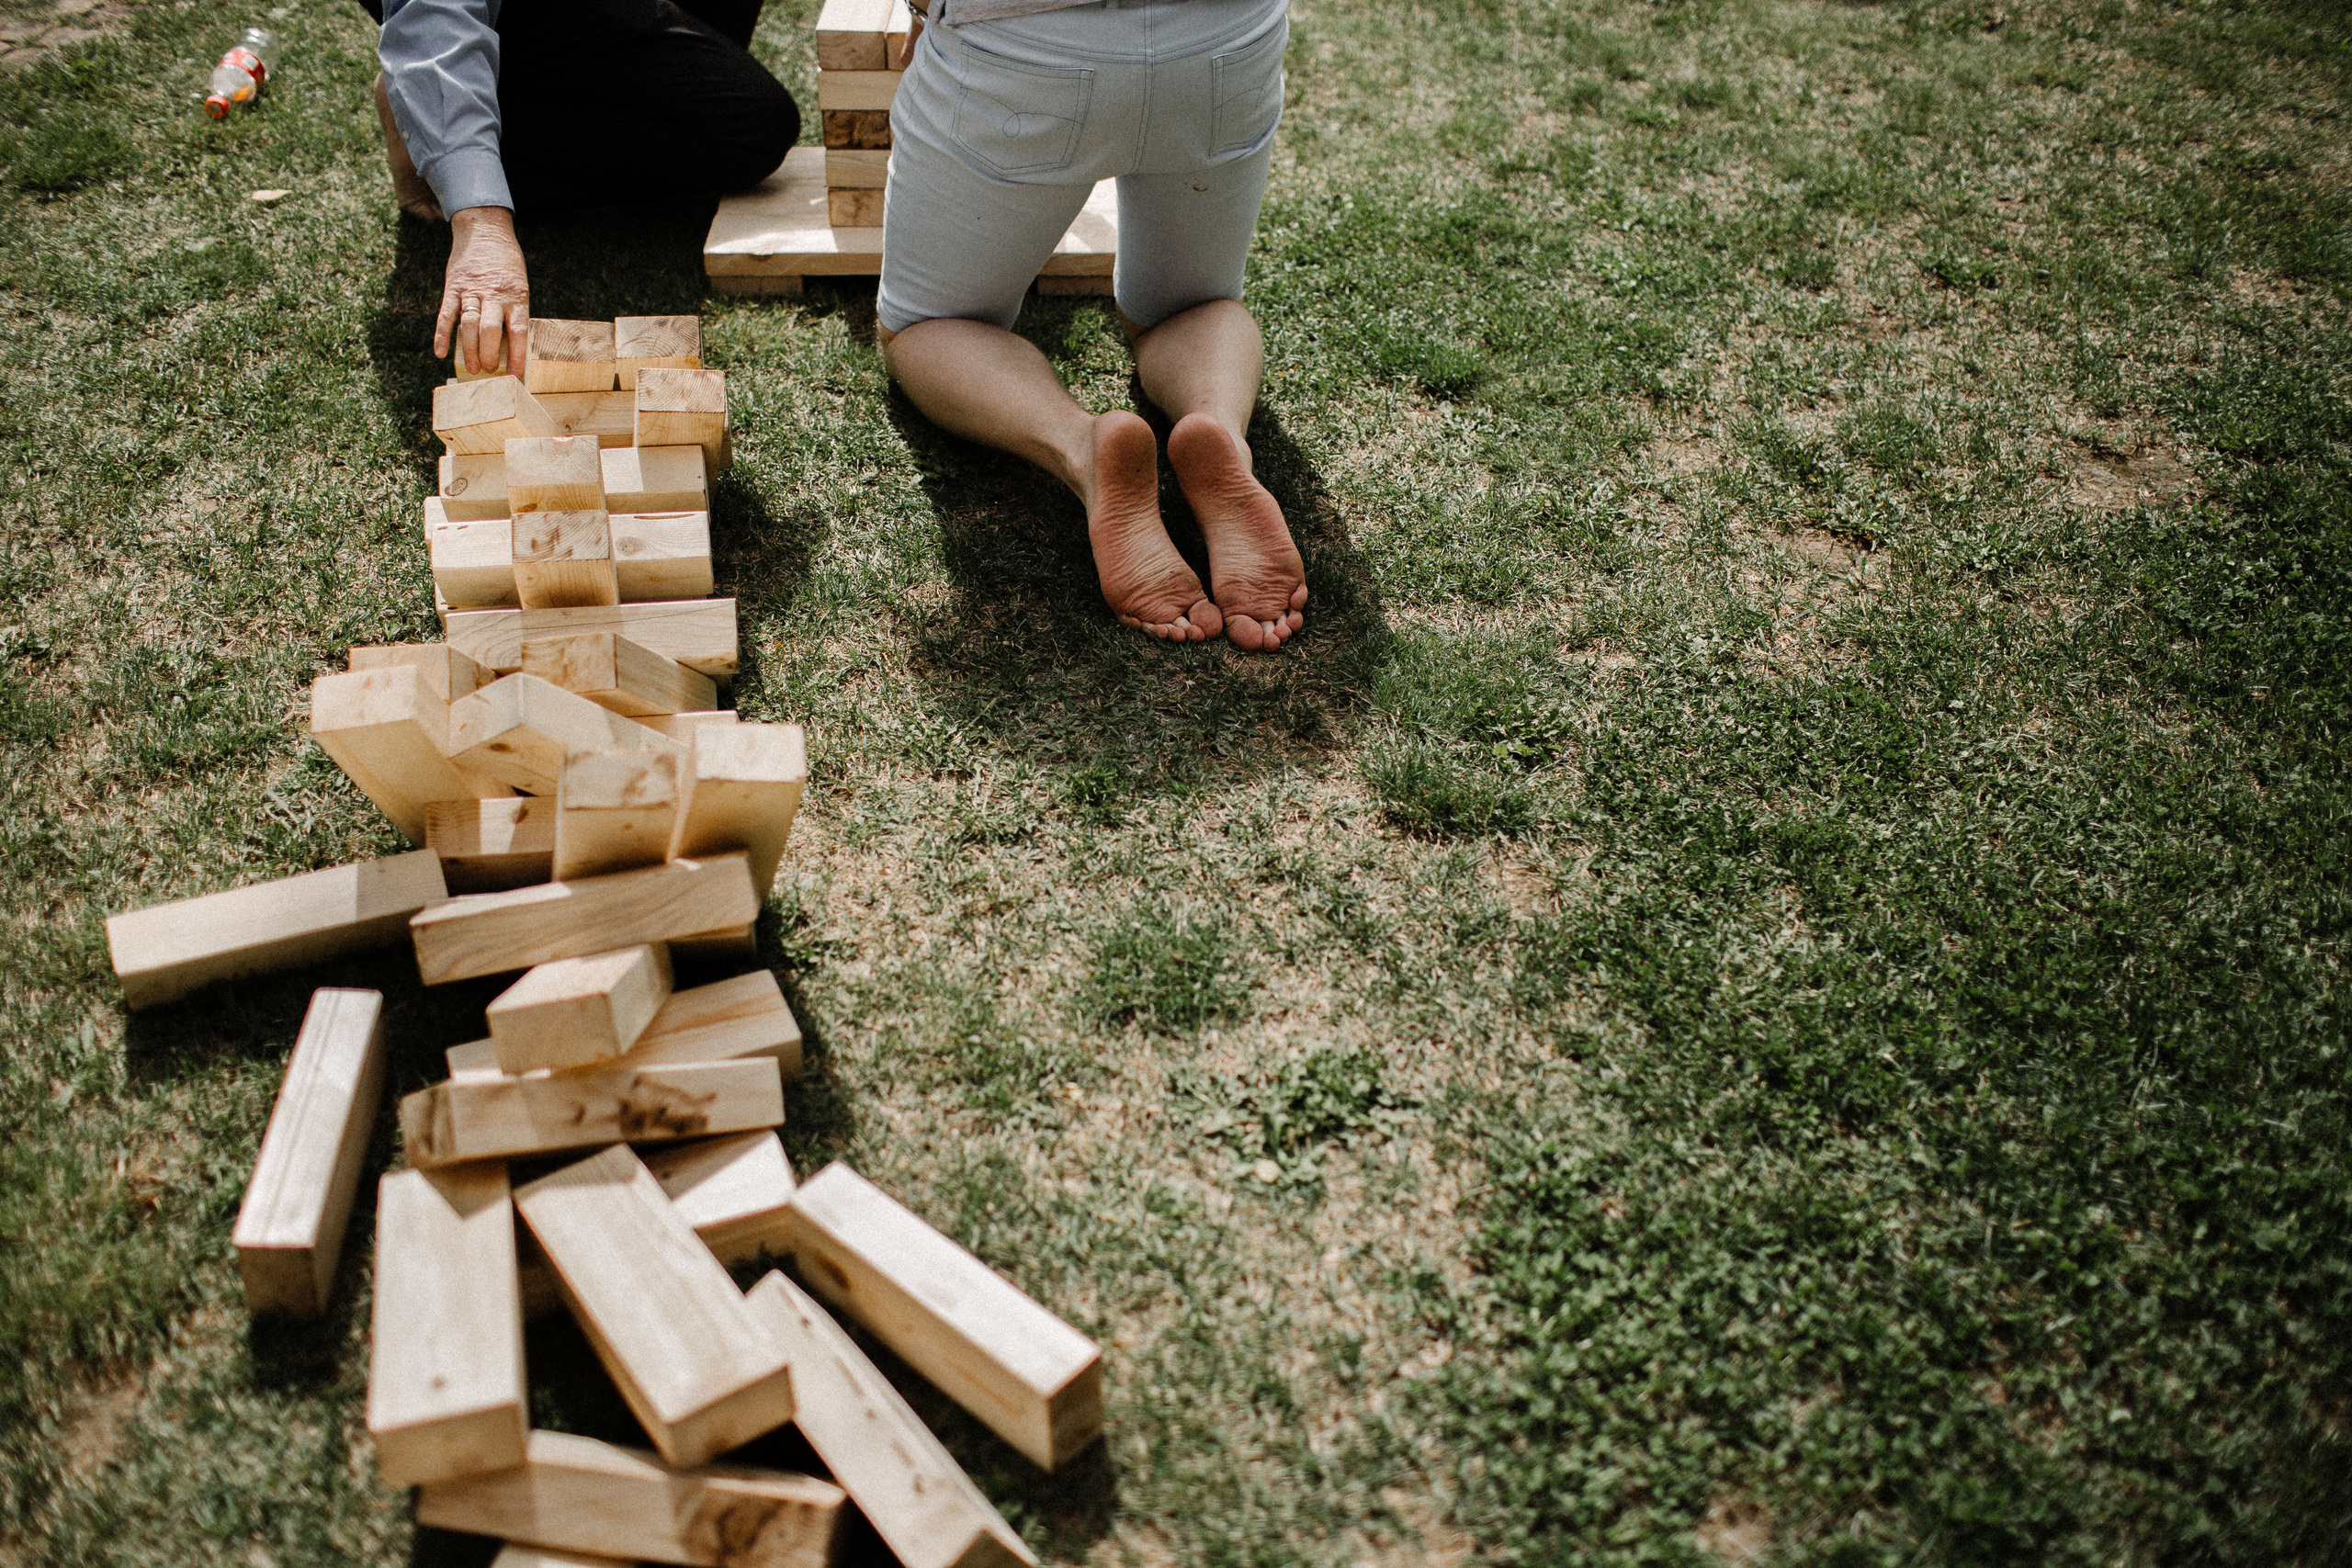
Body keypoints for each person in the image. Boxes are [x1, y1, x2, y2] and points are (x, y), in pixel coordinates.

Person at [876, 0, 1308, 652]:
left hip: (1021, 44)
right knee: (1190, 304)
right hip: (1223, 38)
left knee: (930, 325)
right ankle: (1216, 426)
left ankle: (1084, 447)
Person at [366, 0, 801, 377]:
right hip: (451, 16)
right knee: (749, 125)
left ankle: (483, 95)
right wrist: (480, 218)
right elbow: (434, 18)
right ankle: (432, 107)